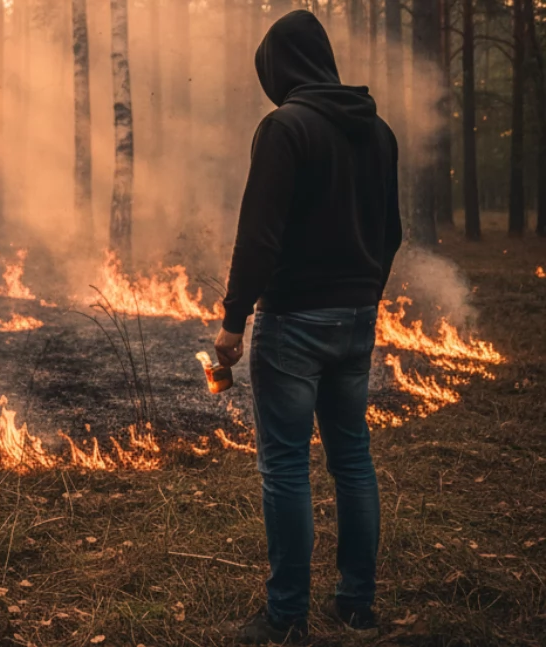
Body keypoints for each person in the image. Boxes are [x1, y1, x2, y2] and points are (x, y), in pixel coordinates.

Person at [213, 10, 403, 645]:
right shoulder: (378, 131)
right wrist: (365, 296)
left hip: (293, 322)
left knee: (288, 467)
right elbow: (391, 231)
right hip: (356, 319)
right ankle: (357, 604)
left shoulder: (284, 127)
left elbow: (259, 235)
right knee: (352, 459)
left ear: (281, 68)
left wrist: (233, 319)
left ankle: (286, 616)